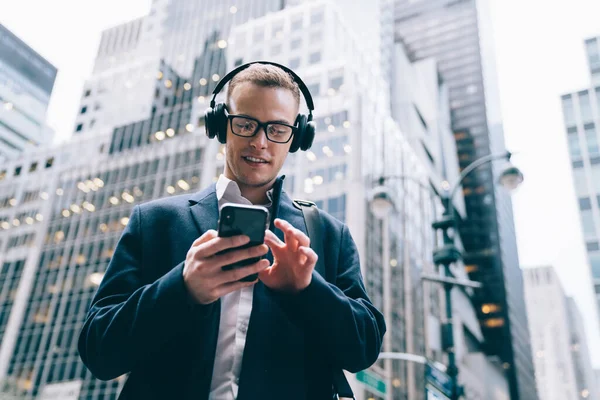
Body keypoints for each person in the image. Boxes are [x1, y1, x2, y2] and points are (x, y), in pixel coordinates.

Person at [78, 62, 386, 400]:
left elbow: (363, 350)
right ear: (221, 125)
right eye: (245, 124)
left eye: (278, 129)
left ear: (297, 137)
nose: (259, 141)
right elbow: (99, 353)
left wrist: (308, 290)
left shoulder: (328, 234)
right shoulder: (154, 221)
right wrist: (182, 288)